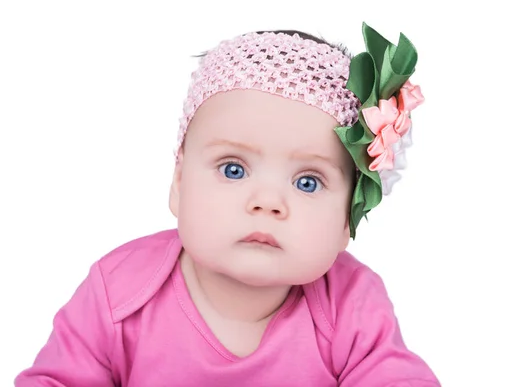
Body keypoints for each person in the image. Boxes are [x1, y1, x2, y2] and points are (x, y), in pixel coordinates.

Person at [15, 22, 441, 386]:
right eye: (233, 169)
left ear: (349, 217)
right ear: (179, 183)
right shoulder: (119, 293)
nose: (268, 202)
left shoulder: (352, 305)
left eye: (308, 182)